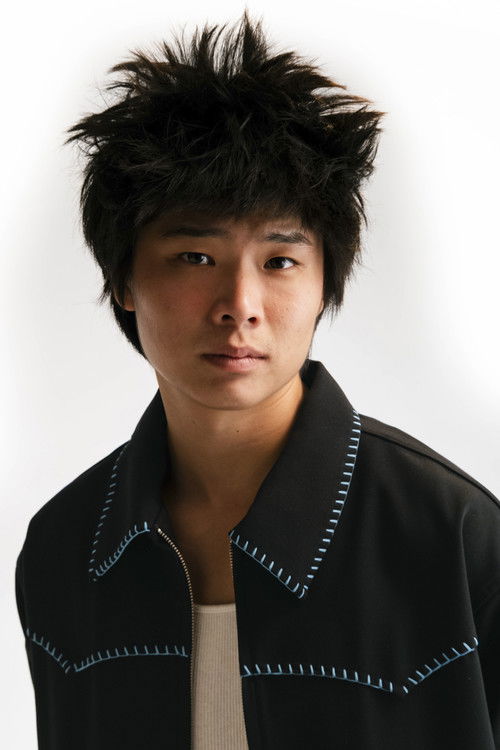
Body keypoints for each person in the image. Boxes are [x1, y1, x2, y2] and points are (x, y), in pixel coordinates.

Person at [14, 9, 500, 750]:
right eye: (195, 257)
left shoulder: (451, 535)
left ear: (324, 282)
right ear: (123, 280)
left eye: (279, 261)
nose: (239, 305)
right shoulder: (65, 548)